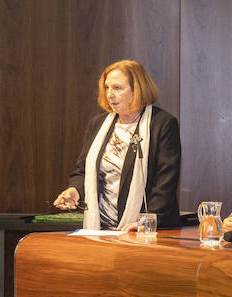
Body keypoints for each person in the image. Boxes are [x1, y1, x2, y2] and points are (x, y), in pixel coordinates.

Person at [53, 59, 181, 229]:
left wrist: (147, 222)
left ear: (138, 89)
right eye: (107, 87)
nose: (109, 94)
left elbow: (165, 181)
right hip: (100, 227)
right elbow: (83, 171)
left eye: (117, 88)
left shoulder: (161, 124)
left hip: (145, 229)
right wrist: (74, 190)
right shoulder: (98, 124)